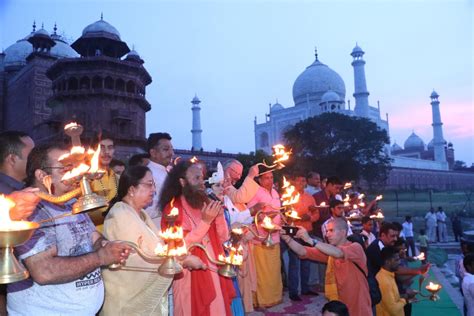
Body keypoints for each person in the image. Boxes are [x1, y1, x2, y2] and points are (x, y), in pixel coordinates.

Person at [7, 144, 132, 315]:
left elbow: (94, 237)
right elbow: (44, 271)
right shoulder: (29, 210)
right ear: (42, 175)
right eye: (66, 168)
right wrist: (100, 257)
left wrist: (107, 246)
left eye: (74, 167)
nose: (76, 175)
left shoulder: (72, 203)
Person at [101, 166, 205, 315]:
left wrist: (177, 255)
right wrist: (181, 261)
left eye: (154, 185)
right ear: (131, 189)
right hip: (126, 301)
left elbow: (156, 251)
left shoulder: (141, 214)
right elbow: (134, 260)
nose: (154, 190)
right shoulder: (120, 214)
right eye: (149, 184)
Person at [159, 160, 235, 316]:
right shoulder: (173, 209)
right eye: (196, 178)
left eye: (202, 178)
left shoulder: (206, 202)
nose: (202, 183)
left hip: (213, 267)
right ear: (182, 182)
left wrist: (219, 217)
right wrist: (206, 222)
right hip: (190, 272)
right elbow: (179, 247)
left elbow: (223, 238)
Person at [282, 218, 372, 316]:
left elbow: (338, 253)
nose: (327, 234)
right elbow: (302, 251)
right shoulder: (329, 252)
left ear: (343, 232)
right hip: (339, 303)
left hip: (358, 303)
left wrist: (309, 240)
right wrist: (288, 239)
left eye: (331, 230)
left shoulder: (355, 247)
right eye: (327, 231)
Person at [222, 159, 260, 313]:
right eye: (235, 172)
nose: (238, 177)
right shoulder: (225, 191)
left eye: (240, 174)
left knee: (244, 281)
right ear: (227, 170)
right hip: (231, 245)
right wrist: (250, 176)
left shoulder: (231, 190)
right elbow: (240, 198)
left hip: (242, 244)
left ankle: (245, 309)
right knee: (235, 283)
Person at [247, 170, 283, 308]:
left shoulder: (275, 193)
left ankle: (274, 297)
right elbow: (251, 213)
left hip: (275, 237)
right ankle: (261, 300)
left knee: (274, 271)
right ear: (260, 180)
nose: (270, 180)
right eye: (266, 178)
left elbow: (279, 211)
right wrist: (265, 216)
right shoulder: (255, 192)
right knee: (262, 272)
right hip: (260, 238)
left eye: (271, 177)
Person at [285, 173, 319, 301]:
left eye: (303, 181)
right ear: (293, 182)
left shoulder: (310, 198)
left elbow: (316, 214)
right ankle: (293, 291)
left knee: (307, 261)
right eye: (298, 181)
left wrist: (309, 217)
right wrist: (294, 216)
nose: (301, 183)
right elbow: (285, 215)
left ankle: (305, 288)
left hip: (307, 232)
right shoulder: (288, 196)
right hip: (294, 233)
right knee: (294, 263)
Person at [376, 246, 417, 316]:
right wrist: (406, 298)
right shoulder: (384, 281)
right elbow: (393, 310)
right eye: (396, 260)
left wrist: (404, 295)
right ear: (387, 262)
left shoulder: (389, 274)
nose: (399, 262)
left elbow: (393, 299)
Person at [90, 135, 119, 229]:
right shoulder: (86, 179)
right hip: (97, 236)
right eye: (101, 148)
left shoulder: (118, 178)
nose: (107, 152)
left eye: (110, 148)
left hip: (118, 232)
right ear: (93, 151)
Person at [146, 132, 174, 227]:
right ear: (153, 153)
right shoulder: (148, 175)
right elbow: (147, 209)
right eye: (166, 149)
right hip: (155, 227)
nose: (171, 153)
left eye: (171, 149)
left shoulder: (165, 172)